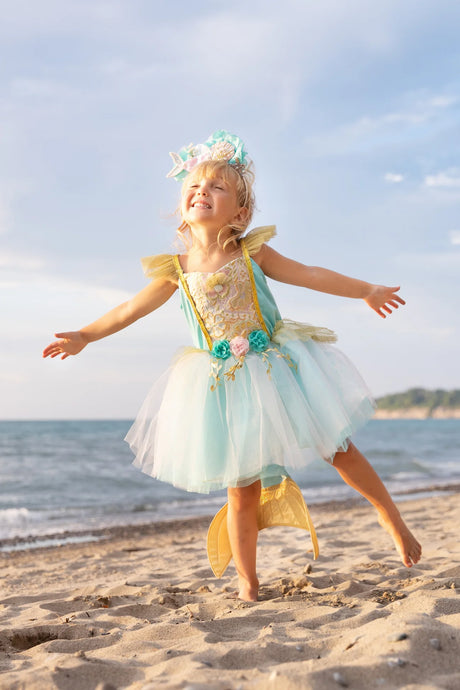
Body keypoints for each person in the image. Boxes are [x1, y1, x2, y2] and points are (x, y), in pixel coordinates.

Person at [43, 130, 421, 601]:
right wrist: (85, 335)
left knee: (338, 447)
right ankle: (248, 580)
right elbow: (129, 310)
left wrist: (365, 289)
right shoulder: (175, 269)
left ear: (240, 213)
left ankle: (391, 517)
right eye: (194, 188)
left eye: (216, 188)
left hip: (280, 366)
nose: (202, 192)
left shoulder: (251, 251)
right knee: (240, 488)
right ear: (183, 207)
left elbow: (309, 274)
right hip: (225, 382)